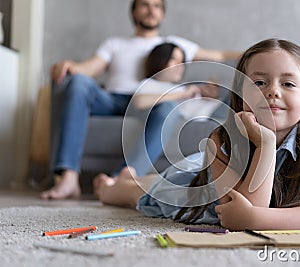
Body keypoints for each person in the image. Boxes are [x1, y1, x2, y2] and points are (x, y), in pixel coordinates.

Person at [94, 38, 300, 231]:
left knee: (146, 182)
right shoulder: (220, 141)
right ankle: (110, 185)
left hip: (199, 169)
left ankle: (130, 177)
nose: (273, 92)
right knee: (134, 194)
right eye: (259, 83)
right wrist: (265, 144)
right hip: (192, 189)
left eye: (287, 84)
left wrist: (254, 217)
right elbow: (246, 214)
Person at [41, 0, 242, 200]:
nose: (151, 10)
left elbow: (220, 54)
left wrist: (259, 53)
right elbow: (88, 69)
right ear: (134, 13)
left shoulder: (175, 45)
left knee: (169, 108)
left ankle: (122, 176)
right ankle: (68, 176)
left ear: (162, 14)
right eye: (145, 5)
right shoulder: (115, 44)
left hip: (153, 104)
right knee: (78, 82)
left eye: (157, 6)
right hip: (113, 99)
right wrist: (70, 66)